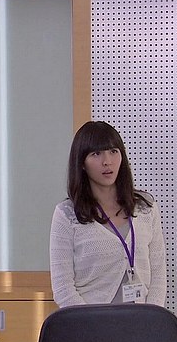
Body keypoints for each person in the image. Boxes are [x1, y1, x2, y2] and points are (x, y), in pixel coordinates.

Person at [49, 120, 167, 308]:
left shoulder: (146, 207)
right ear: (82, 163)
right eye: (96, 154)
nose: (107, 161)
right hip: (90, 320)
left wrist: (151, 316)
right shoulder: (67, 214)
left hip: (141, 318)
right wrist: (92, 321)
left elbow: (158, 274)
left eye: (113, 151)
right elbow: (63, 288)